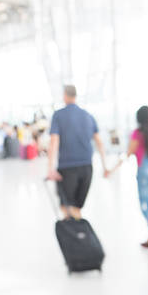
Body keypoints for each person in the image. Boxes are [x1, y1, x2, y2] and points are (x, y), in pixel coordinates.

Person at [108, 106, 148, 248]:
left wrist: (112, 169)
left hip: (145, 171)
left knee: (145, 203)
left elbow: (129, 153)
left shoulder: (137, 133)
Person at [46, 85, 107, 220]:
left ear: (65, 96)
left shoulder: (58, 115)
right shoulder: (88, 116)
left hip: (67, 168)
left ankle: (77, 237)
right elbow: (99, 143)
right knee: (76, 208)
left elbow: (54, 142)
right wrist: (105, 167)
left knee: (67, 208)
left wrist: (50, 169)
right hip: (87, 168)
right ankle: (79, 236)